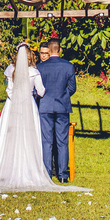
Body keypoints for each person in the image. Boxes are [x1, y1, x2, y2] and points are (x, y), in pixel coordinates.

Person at [0, 43, 88, 193]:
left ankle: (44, 171)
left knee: (41, 141)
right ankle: (61, 175)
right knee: (58, 140)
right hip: (49, 106)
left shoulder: (16, 70)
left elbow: (9, 90)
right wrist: (56, 95)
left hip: (22, 107)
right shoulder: (45, 69)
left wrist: (20, 98)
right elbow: (48, 90)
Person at [37, 38, 78, 181]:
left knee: (46, 141)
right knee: (62, 141)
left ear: (48, 50)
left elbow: (37, 89)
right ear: (59, 50)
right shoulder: (68, 66)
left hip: (45, 107)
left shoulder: (40, 67)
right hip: (62, 106)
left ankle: (46, 174)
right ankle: (62, 175)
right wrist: (63, 95)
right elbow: (73, 87)